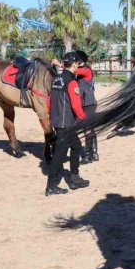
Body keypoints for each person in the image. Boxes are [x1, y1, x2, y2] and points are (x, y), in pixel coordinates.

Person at [45, 51, 91, 196]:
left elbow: (49, 102)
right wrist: (85, 120)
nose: (78, 66)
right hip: (66, 124)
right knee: (59, 155)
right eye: (78, 64)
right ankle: (51, 186)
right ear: (74, 64)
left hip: (58, 120)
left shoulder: (57, 79)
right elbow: (76, 106)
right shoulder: (71, 82)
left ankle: (74, 177)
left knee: (76, 147)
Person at [75, 50, 99, 164]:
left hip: (88, 103)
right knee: (90, 129)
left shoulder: (85, 70)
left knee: (87, 129)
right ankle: (94, 153)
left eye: (75, 59)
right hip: (86, 102)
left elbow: (72, 70)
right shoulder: (84, 69)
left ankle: (88, 155)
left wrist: (59, 64)